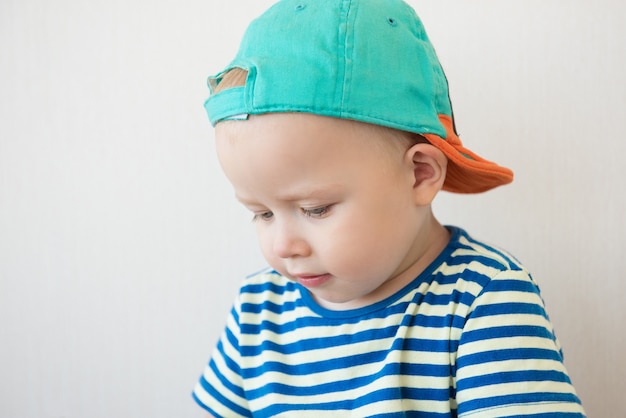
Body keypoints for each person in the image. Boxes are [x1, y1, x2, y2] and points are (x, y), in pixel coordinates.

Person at [192, 0, 586, 416]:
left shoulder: (482, 302)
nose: (283, 245)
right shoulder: (258, 308)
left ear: (419, 174)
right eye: (262, 213)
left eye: (316, 208)